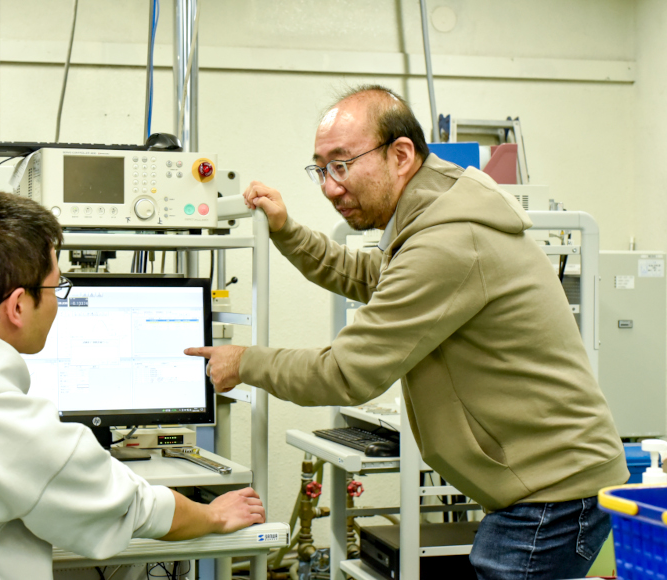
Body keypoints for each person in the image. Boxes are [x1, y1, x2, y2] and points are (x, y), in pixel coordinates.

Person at [185, 85, 628, 579]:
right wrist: (288, 231)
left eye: (342, 164)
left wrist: (244, 362)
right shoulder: (432, 211)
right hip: (546, 488)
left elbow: (344, 371)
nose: (331, 186)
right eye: (322, 169)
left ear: (400, 155)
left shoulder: (448, 240)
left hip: (554, 495)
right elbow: (366, 274)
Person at [0, 192, 264, 580]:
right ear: (18, 306)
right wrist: (213, 513)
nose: (59, 299)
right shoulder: (15, 430)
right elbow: (133, 508)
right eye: (57, 287)